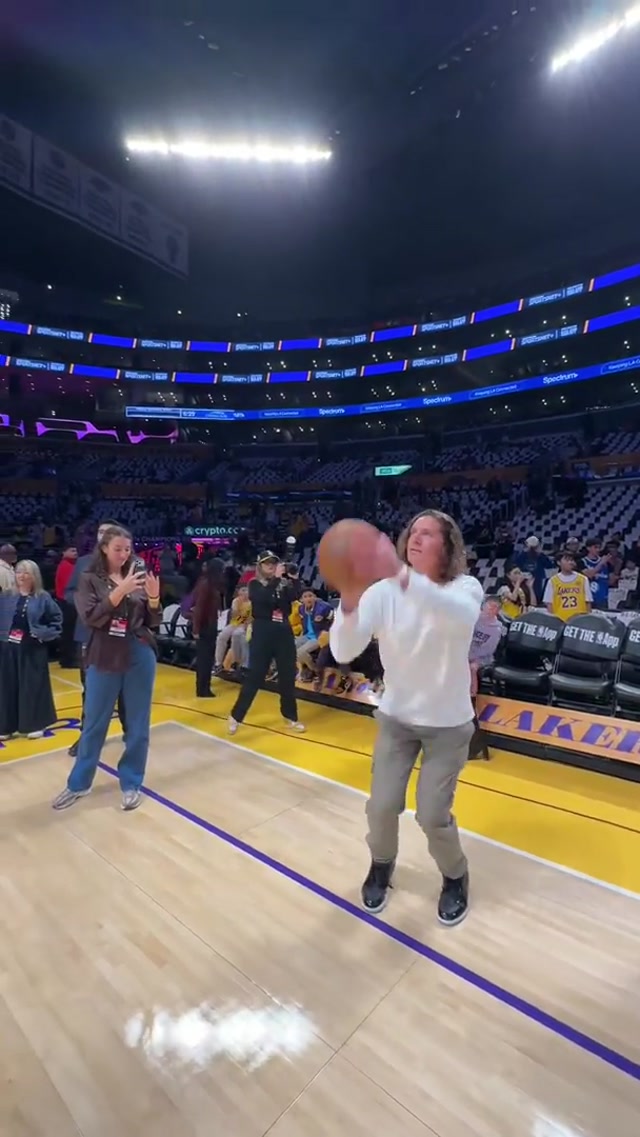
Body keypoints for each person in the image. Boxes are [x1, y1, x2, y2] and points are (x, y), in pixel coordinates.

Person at [330, 510, 483, 926]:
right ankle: (382, 865)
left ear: (448, 545)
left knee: (432, 814)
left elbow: (462, 617)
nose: (416, 538)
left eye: (428, 533)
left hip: (448, 726)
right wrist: (346, 605)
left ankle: (455, 875)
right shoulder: (383, 592)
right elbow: (344, 652)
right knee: (381, 807)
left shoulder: (464, 588)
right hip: (397, 720)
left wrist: (401, 577)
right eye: (412, 532)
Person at [52, 525, 161, 812]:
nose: (124, 554)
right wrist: (119, 592)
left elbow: (152, 622)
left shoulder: (136, 575)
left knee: (138, 726)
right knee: (94, 724)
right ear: (104, 548)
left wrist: (153, 598)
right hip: (103, 653)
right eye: (118, 549)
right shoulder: (88, 578)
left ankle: (131, 782)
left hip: (139, 651)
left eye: (128, 549)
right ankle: (78, 783)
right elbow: (91, 618)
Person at [65, 519, 124, 757]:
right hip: (89, 634)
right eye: (100, 532)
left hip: (118, 635)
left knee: (123, 689)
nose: (103, 535)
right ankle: (87, 737)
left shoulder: (128, 564)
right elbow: (68, 593)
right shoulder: (82, 563)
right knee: (89, 688)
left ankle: (131, 732)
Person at [228, 551, 304, 735]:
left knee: (287, 676)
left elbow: (294, 597)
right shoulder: (254, 584)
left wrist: (293, 579)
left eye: (273, 563)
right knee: (255, 677)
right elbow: (262, 599)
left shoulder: (282, 583)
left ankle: (290, 716)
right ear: (260, 566)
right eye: (267, 563)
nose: (271, 566)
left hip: (283, 631)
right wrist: (277, 581)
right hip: (263, 632)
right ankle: (236, 716)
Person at [0, 560, 62, 740]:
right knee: (7, 687)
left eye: (26, 572)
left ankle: (35, 724)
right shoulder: (6, 595)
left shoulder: (43, 598)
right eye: (19, 571)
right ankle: (6, 726)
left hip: (33, 648)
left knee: (33, 686)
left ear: (34, 576)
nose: (21, 575)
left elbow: (56, 621)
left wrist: (42, 633)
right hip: (8, 649)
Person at [468, 596, 503, 762]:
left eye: (495, 608)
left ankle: (475, 746)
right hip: (462, 658)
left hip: (480, 660)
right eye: (489, 607)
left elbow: (486, 652)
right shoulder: (471, 618)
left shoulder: (496, 628)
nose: (491, 610)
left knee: (469, 701)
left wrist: (470, 662)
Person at [191, 559, 225, 697]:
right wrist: (196, 629)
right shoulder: (206, 584)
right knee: (204, 659)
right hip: (205, 625)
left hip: (210, 624)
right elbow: (199, 608)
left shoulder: (211, 584)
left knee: (207, 658)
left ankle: (205, 687)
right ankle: (202, 689)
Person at [294, 589, 334, 678]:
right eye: (305, 596)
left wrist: (328, 636)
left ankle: (315, 670)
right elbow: (303, 624)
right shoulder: (301, 609)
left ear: (315, 597)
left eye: (310, 596)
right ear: (301, 600)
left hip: (319, 636)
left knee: (300, 652)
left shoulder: (325, 608)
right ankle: (302, 668)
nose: (308, 599)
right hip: (307, 635)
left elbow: (334, 622)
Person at [544, 550, 591, 621]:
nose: (570, 562)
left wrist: (588, 620)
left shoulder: (583, 579)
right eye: (567, 560)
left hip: (579, 621)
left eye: (572, 560)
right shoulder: (552, 581)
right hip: (560, 620)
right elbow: (549, 604)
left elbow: (588, 602)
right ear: (559, 562)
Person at [214, 585, 251, 672]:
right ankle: (218, 663)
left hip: (245, 625)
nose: (243, 593)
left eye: (246, 590)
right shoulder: (236, 601)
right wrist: (235, 608)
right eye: (242, 590)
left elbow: (248, 619)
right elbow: (234, 616)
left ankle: (236, 662)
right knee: (221, 637)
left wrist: (242, 623)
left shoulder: (252, 603)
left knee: (236, 635)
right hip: (235, 623)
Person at [55, 546, 79, 667]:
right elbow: (71, 586)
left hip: (68, 602)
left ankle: (68, 659)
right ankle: (68, 660)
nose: (75, 553)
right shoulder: (66, 566)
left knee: (69, 632)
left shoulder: (70, 565)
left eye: (75, 551)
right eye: (72, 550)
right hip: (67, 603)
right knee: (69, 632)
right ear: (64, 552)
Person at [582, 538, 618, 610]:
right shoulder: (582, 561)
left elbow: (611, 581)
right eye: (595, 547)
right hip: (587, 598)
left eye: (599, 547)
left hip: (602, 597)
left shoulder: (607, 562)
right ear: (588, 548)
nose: (598, 550)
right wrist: (601, 563)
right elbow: (590, 575)